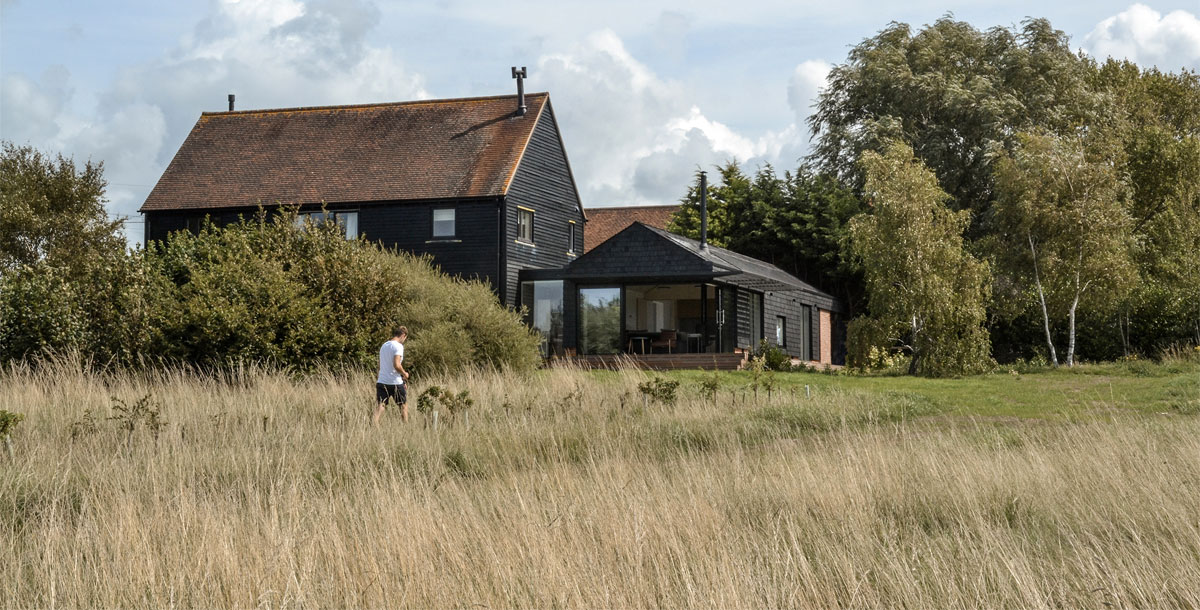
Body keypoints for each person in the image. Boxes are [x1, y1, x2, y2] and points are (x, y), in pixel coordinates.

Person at [373, 326, 409, 425]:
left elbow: (380, 365)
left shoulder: (384, 345)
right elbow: (396, 365)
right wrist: (404, 374)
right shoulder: (398, 346)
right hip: (395, 382)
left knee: (381, 405)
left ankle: (374, 423)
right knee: (403, 406)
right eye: (405, 338)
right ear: (403, 335)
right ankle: (406, 427)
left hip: (382, 381)